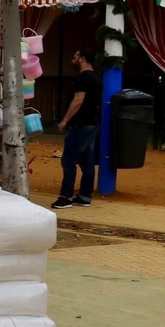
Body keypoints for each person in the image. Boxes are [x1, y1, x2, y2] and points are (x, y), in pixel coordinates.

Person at [53, 47, 102, 209]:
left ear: (82, 59)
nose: (73, 59)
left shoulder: (83, 78)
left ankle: (65, 196)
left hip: (80, 124)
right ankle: (85, 195)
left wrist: (65, 120)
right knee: (87, 160)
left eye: (76, 56)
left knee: (68, 160)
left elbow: (78, 100)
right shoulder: (96, 78)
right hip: (92, 123)